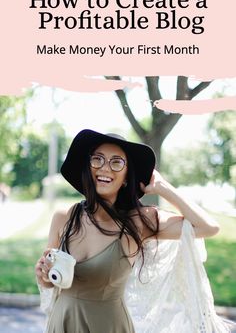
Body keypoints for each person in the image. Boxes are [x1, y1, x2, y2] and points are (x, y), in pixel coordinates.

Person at [35, 129, 232, 333]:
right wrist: (44, 276)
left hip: (108, 326)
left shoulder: (138, 222)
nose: (105, 168)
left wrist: (163, 188)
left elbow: (208, 227)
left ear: (127, 177)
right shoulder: (63, 217)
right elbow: (50, 281)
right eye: (98, 159)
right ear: (89, 167)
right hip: (62, 323)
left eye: (116, 162)